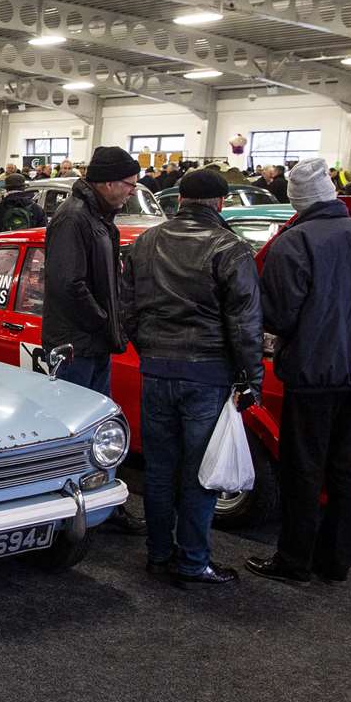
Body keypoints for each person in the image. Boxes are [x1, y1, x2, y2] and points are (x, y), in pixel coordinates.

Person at [247, 159, 351, 586]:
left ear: (297, 200)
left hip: (313, 374)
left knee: (304, 470)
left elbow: (279, 314)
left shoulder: (294, 243)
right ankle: (336, 560)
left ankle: (294, 560)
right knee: (348, 469)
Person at [123, 170, 263, 585]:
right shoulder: (230, 247)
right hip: (207, 373)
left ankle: (157, 554)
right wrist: (249, 378)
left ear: (180, 199)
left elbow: (127, 308)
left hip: (156, 369)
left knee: (159, 470)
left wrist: (148, 348)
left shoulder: (146, 242)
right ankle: (192, 561)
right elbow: (245, 322)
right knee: (201, 472)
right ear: (220, 203)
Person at [42, 145, 145, 534]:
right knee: (73, 431)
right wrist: (105, 322)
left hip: (92, 343)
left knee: (100, 428)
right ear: (106, 182)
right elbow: (69, 284)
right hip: (76, 345)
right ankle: (66, 509)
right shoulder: (74, 218)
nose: (132, 191)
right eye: (128, 184)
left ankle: (99, 498)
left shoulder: (98, 217)